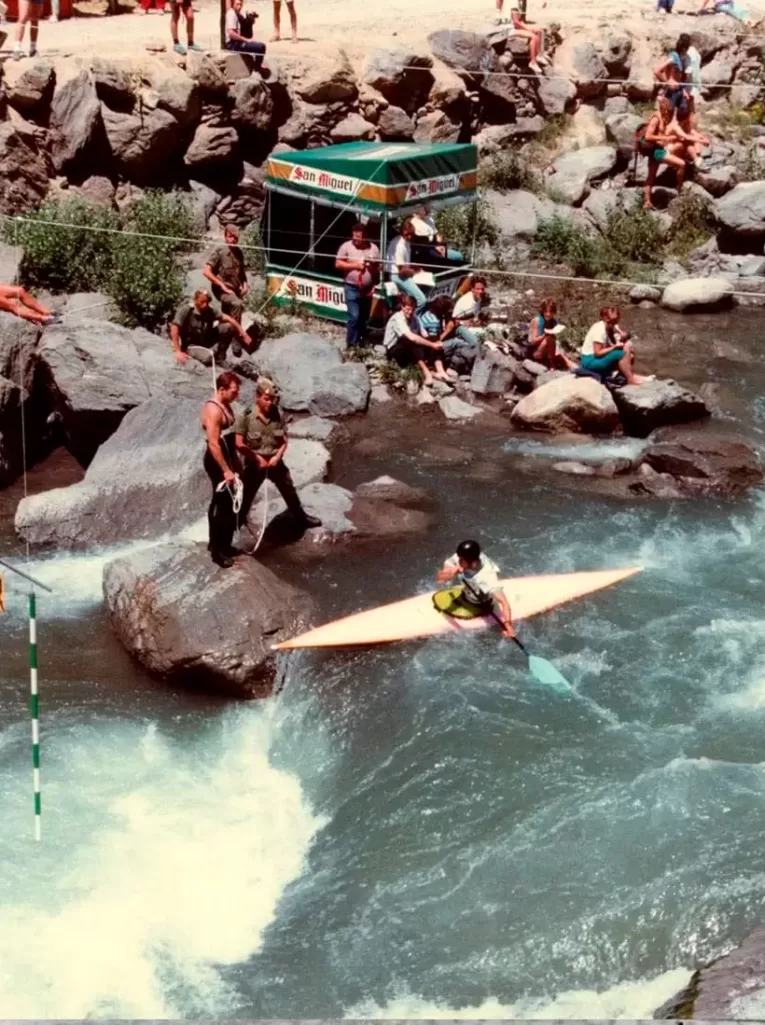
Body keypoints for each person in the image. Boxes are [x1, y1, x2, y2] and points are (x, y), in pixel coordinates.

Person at [235, 377, 321, 534]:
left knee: (288, 488)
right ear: (257, 397)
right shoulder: (246, 416)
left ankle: (301, 518)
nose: (269, 403)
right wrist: (256, 458)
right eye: (266, 399)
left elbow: (284, 440)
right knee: (246, 496)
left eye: (272, 400)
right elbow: (239, 443)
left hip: (275, 462)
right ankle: (236, 526)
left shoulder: (277, 414)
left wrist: (277, 457)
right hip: (254, 464)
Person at [201, 371, 242, 569]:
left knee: (227, 501)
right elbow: (214, 444)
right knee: (222, 503)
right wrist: (226, 470)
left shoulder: (226, 404)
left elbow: (230, 438)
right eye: (234, 391)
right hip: (216, 461)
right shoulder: (213, 410)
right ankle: (217, 551)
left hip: (227, 457)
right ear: (222, 389)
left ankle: (222, 543)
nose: (237, 395)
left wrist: (235, 461)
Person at [435, 539, 515, 639]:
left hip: (481, 602)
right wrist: (451, 573)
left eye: (461, 560)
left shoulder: (487, 578)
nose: (458, 561)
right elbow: (439, 579)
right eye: (459, 558)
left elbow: (504, 602)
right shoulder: (463, 556)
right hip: (466, 593)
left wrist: (508, 625)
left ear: (473, 563)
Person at [170, 289, 252, 366]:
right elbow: (175, 327)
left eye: (207, 302)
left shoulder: (210, 310)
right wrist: (178, 351)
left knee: (228, 327)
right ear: (195, 300)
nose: (205, 305)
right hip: (190, 344)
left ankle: (220, 357)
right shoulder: (187, 309)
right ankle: (201, 354)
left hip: (205, 339)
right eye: (202, 302)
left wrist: (244, 334)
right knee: (208, 358)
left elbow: (229, 319)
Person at [384, 294, 449, 387]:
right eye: (407, 309)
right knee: (411, 341)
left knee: (434, 340)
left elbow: (424, 334)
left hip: (409, 349)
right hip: (394, 350)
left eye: (412, 309)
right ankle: (427, 373)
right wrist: (431, 345)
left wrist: (435, 342)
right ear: (402, 307)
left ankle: (440, 371)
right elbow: (412, 337)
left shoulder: (415, 318)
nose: (410, 312)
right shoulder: (397, 318)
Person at [638, 94, 690, 209]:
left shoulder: (663, 117)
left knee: (651, 177)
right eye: (667, 106)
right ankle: (680, 190)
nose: (669, 108)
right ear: (663, 106)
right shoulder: (656, 118)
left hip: (656, 150)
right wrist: (665, 139)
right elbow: (648, 136)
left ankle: (647, 202)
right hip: (656, 151)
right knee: (681, 164)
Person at [335, 222, 380, 349]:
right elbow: (338, 263)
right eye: (354, 236)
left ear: (365, 236)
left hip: (367, 289)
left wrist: (372, 268)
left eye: (358, 237)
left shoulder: (373, 248)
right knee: (354, 316)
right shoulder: (346, 247)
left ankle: (361, 339)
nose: (355, 239)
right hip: (352, 287)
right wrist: (354, 265)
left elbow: (379, 267)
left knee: (364, 317)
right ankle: (351, 344)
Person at [580, 306, 651, 385]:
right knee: (624, 351)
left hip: (596, 358)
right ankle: (630, 379)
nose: (614, 323)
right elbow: (598, 353)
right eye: (613, 321)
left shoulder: (609, 327)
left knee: (629, 354)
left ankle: (631, 376)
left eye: (616, 320)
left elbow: (620, 335)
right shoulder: (599, 330)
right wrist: (614, 347)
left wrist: (621, 334)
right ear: (606, 318)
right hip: (590, 361)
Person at [204, 225, 249, 324]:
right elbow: (206, 272)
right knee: (237, 304)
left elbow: (242, 272)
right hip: (222, 290)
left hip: (235, 289)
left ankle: (224, 333)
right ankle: (236, 336)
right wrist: (221, 285)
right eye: (230, 237)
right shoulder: (220, 251)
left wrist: (245, 284)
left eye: (235, 237)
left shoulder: (239, 253)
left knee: (229, 314)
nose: (233, 240)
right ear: (225, 237)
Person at [386, 219, 427, 310]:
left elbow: (405, 265)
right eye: (408, 234)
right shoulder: (400, 246)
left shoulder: (406, 242)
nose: (410, 237)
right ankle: (411, 320)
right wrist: (415, 272)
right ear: (403, 232)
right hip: (397, 276)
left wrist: (415, 268)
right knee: (421, 300)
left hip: (402, 275)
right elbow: (401, 271)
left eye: (412, 234)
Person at [527, 298, 576, 370]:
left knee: (563, 357)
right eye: (546, 312)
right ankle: (551, 364)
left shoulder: (553, 322)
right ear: (543, 311)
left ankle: (579, 369)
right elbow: (531, 341)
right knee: (549, 338)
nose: (548, 314)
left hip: (546, 352)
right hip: (536, 352)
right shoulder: (536, 321)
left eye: (550, 312)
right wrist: (544, 335)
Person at [654, 34, 692, 115]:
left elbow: (679, 78)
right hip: (671, 94)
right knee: (667, 115)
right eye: (687, 48)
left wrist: (684, 90)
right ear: (684, 48)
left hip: (679, 91)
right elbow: (657, 71)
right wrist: (668, 82)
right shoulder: (673, 57)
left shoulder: (680, 58)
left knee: (682, 115)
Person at [506, 7, 547, 74]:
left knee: (539, 31)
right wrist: (528, 29)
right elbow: (516, 22)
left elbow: (519, 20)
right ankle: (532, 62)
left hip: (516, 25)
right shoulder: (512, 4)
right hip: (510, 28)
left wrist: (527, 27)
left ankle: (538, 55)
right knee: (534, 37)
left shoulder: (518, 4)